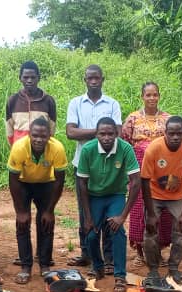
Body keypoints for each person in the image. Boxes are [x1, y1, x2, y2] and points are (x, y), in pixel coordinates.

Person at [66, 64, 122, 268]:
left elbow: (117, 131)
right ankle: (87, 254)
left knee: (107, 212)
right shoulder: (76, 103)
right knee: (85, 212)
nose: (93, 81)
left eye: (97, 77)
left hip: (108, 164)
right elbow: (71, 133)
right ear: (85, 80)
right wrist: (100, 131)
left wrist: (92, 132)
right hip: (83, 164)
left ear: (102, 79)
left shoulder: (112, 104)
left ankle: (108, 258)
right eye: (89, 78)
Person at [77, 118, 141, 292]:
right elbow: (82, 183)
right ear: (96, 134)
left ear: (117, 134)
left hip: (115, 195)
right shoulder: (88, 150)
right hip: (94, 196)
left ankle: (120, 275)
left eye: (110, 134)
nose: (106, 137)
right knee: (90, 234)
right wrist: (88, 217)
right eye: (102, 134)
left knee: (117, 230)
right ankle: (98, 266)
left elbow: (136, 182)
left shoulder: (125, 148)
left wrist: (122, 216)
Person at [140, 116, 182, 285]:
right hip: (154, 193)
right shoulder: (154, 148)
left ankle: (174, 267)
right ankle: (153, 269)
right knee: (151, 231)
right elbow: (144, 180)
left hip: (177, 195)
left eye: (179, 134)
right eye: (171, 133)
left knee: (181, 231)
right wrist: (151, 213)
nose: (175, 137)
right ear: (164, 133)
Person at [7, 117, 67, 284]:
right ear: (29, 135)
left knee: (46, 222)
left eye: (43, 136)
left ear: (49, 135)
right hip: (23, 184)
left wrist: (49, 210)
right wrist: (20, 211)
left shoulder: (57, 148)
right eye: (35, 135)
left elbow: (59, 180)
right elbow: (13, 180)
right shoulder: (19, 147)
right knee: (22, 223)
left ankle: (45, 265)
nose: (39, 139)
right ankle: (26, 267)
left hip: (46, 185)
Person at [121, 82, 174, 267]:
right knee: (139, 209)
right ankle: (140, 252)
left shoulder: (168, 119)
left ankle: (158, 251)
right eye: (148, 95)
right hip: (139, 172)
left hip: (163, 171)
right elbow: (125, 144)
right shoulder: (132, 119)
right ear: (142, 97)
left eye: (155, 95)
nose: (152, 98)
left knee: (162, 210)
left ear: (159, 96)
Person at [5, 61, 57, 145]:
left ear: (38, 78)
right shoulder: (13, 100)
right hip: (19, 149)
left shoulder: (48, 101)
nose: (29, 80)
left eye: (33, 77)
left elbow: (51, 129)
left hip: (41, 150)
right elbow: (9, 129)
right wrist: (14, 148)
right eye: (26, 77)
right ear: (20, 78)